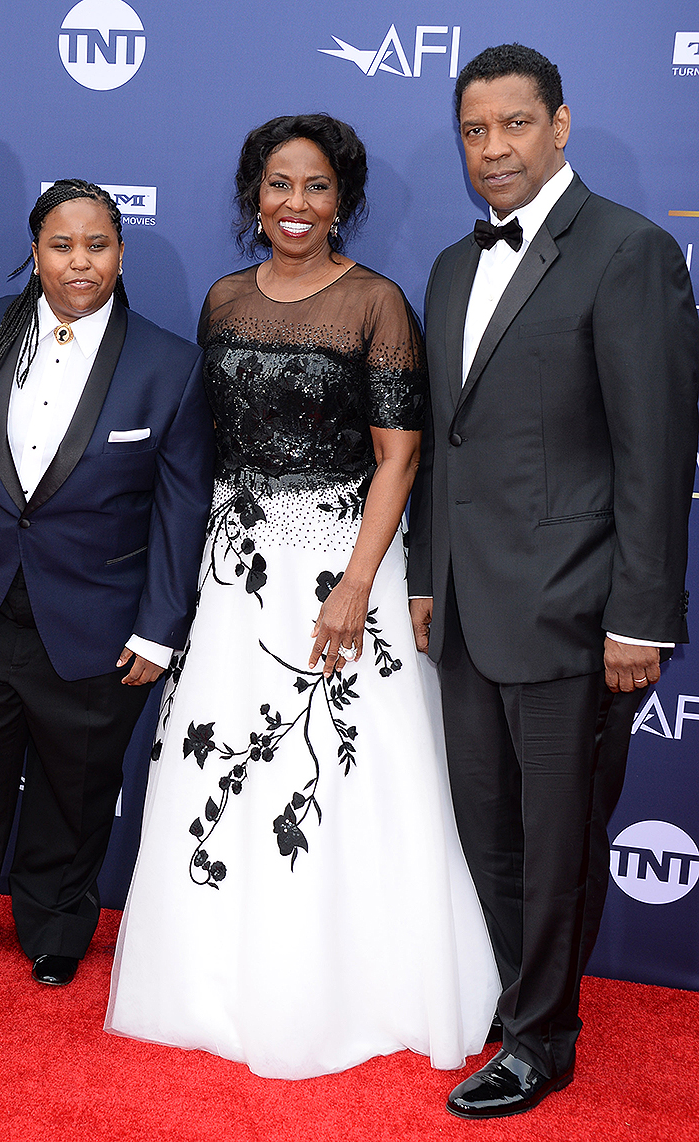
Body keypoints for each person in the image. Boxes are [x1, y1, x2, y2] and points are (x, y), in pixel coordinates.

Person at [105, 115, 499, 1079]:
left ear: (342, 200)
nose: (295, 204)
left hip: (339, 568)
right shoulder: (224, 302)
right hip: (235, 576)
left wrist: (357, 585)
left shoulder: (377, 303)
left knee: (349, 779)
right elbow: (212, 451)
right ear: (253, 196)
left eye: (316, 187)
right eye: (278, 185)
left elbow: (398, 458)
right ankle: (218, 986)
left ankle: (351, 989)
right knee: (227, 765)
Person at [408, 44, 699, 1118]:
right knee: (489, 829)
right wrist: (427, 573)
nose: (494, 150)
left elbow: (656, 450)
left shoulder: (626, 251)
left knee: (561, 835)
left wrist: (639, 615)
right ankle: (521, 993)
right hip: (468, 609)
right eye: (475, 131)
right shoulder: (448, 266)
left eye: (515, 126)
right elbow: (447, 439)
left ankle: (543, 1035)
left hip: (578, 612)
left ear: (561, 126)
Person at [0, 180, 215, 988]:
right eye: (61, 245)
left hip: (97, 621)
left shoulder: (169, 364)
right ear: (35, 250)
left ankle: (54, 926)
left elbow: (182, 512)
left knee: (75, 791)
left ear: (121, 249)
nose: (81, 263)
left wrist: (159, 628)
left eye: (98, 245)